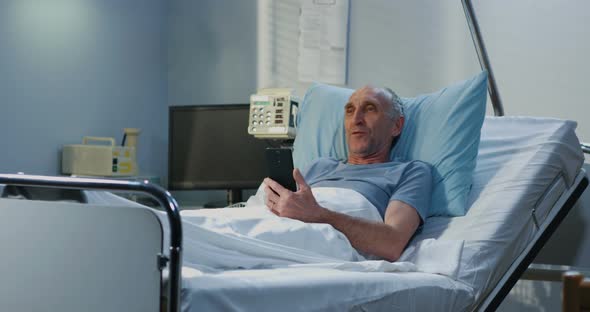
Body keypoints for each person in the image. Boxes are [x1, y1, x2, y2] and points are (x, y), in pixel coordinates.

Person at [263, 86, 432, 262]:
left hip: (312, 243)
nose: (356, 120)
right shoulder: (318, 166)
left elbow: (392, 243)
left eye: (369, 109)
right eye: (350, 111)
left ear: (396, 126)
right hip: (276, 228)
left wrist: (318, 215)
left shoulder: (410, 172)